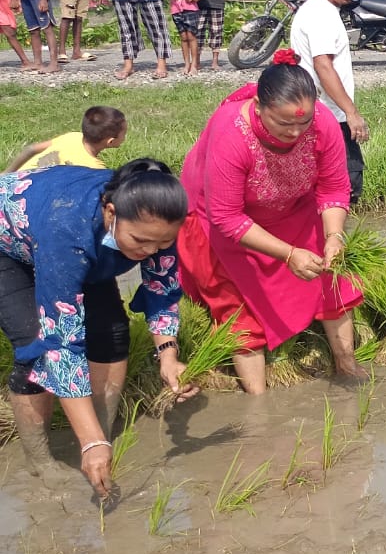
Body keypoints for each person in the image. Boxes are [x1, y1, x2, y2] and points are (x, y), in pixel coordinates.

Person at [1, 159, 193, 496]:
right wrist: (91, 442)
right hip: (10, 247)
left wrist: (168, 354)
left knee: (112, 334)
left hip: (79, 243)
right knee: (36, 345)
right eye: (141, 240)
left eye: (162, 244)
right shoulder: (69, 230)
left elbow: (161, 290)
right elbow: (60, 343)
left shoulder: (155, 223)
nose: (150, 251)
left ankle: (101, 435)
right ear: (110, 211)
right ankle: (42, 460)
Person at [177, 51, 365, 394]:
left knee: (331, 278)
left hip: (291, 206)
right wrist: (288, 253)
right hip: (222, 220)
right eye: (284, 123)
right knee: (238, 306)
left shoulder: (321, 122)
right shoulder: (231, 132)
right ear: (260, 107)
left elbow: (334, 187)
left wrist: (334, 236)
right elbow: (226, 217)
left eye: (302, 123)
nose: (295, 131)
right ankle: (257, 400)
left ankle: (347, 365)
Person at [290, 0, 369, 205]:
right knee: (344, 186)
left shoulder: (322, 9)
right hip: (328, 116)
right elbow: (323, 65)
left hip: (326, 113)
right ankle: (332, 241)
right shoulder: (321, 14)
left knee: (334, 186)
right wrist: (351, 112)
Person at [7, 106, 126, 173]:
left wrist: (5, 175)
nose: (125, 137)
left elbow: (31, 149)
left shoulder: (72, 137)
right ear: (110, 141)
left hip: (11, 183)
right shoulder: (95, 169)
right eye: (124, 134)